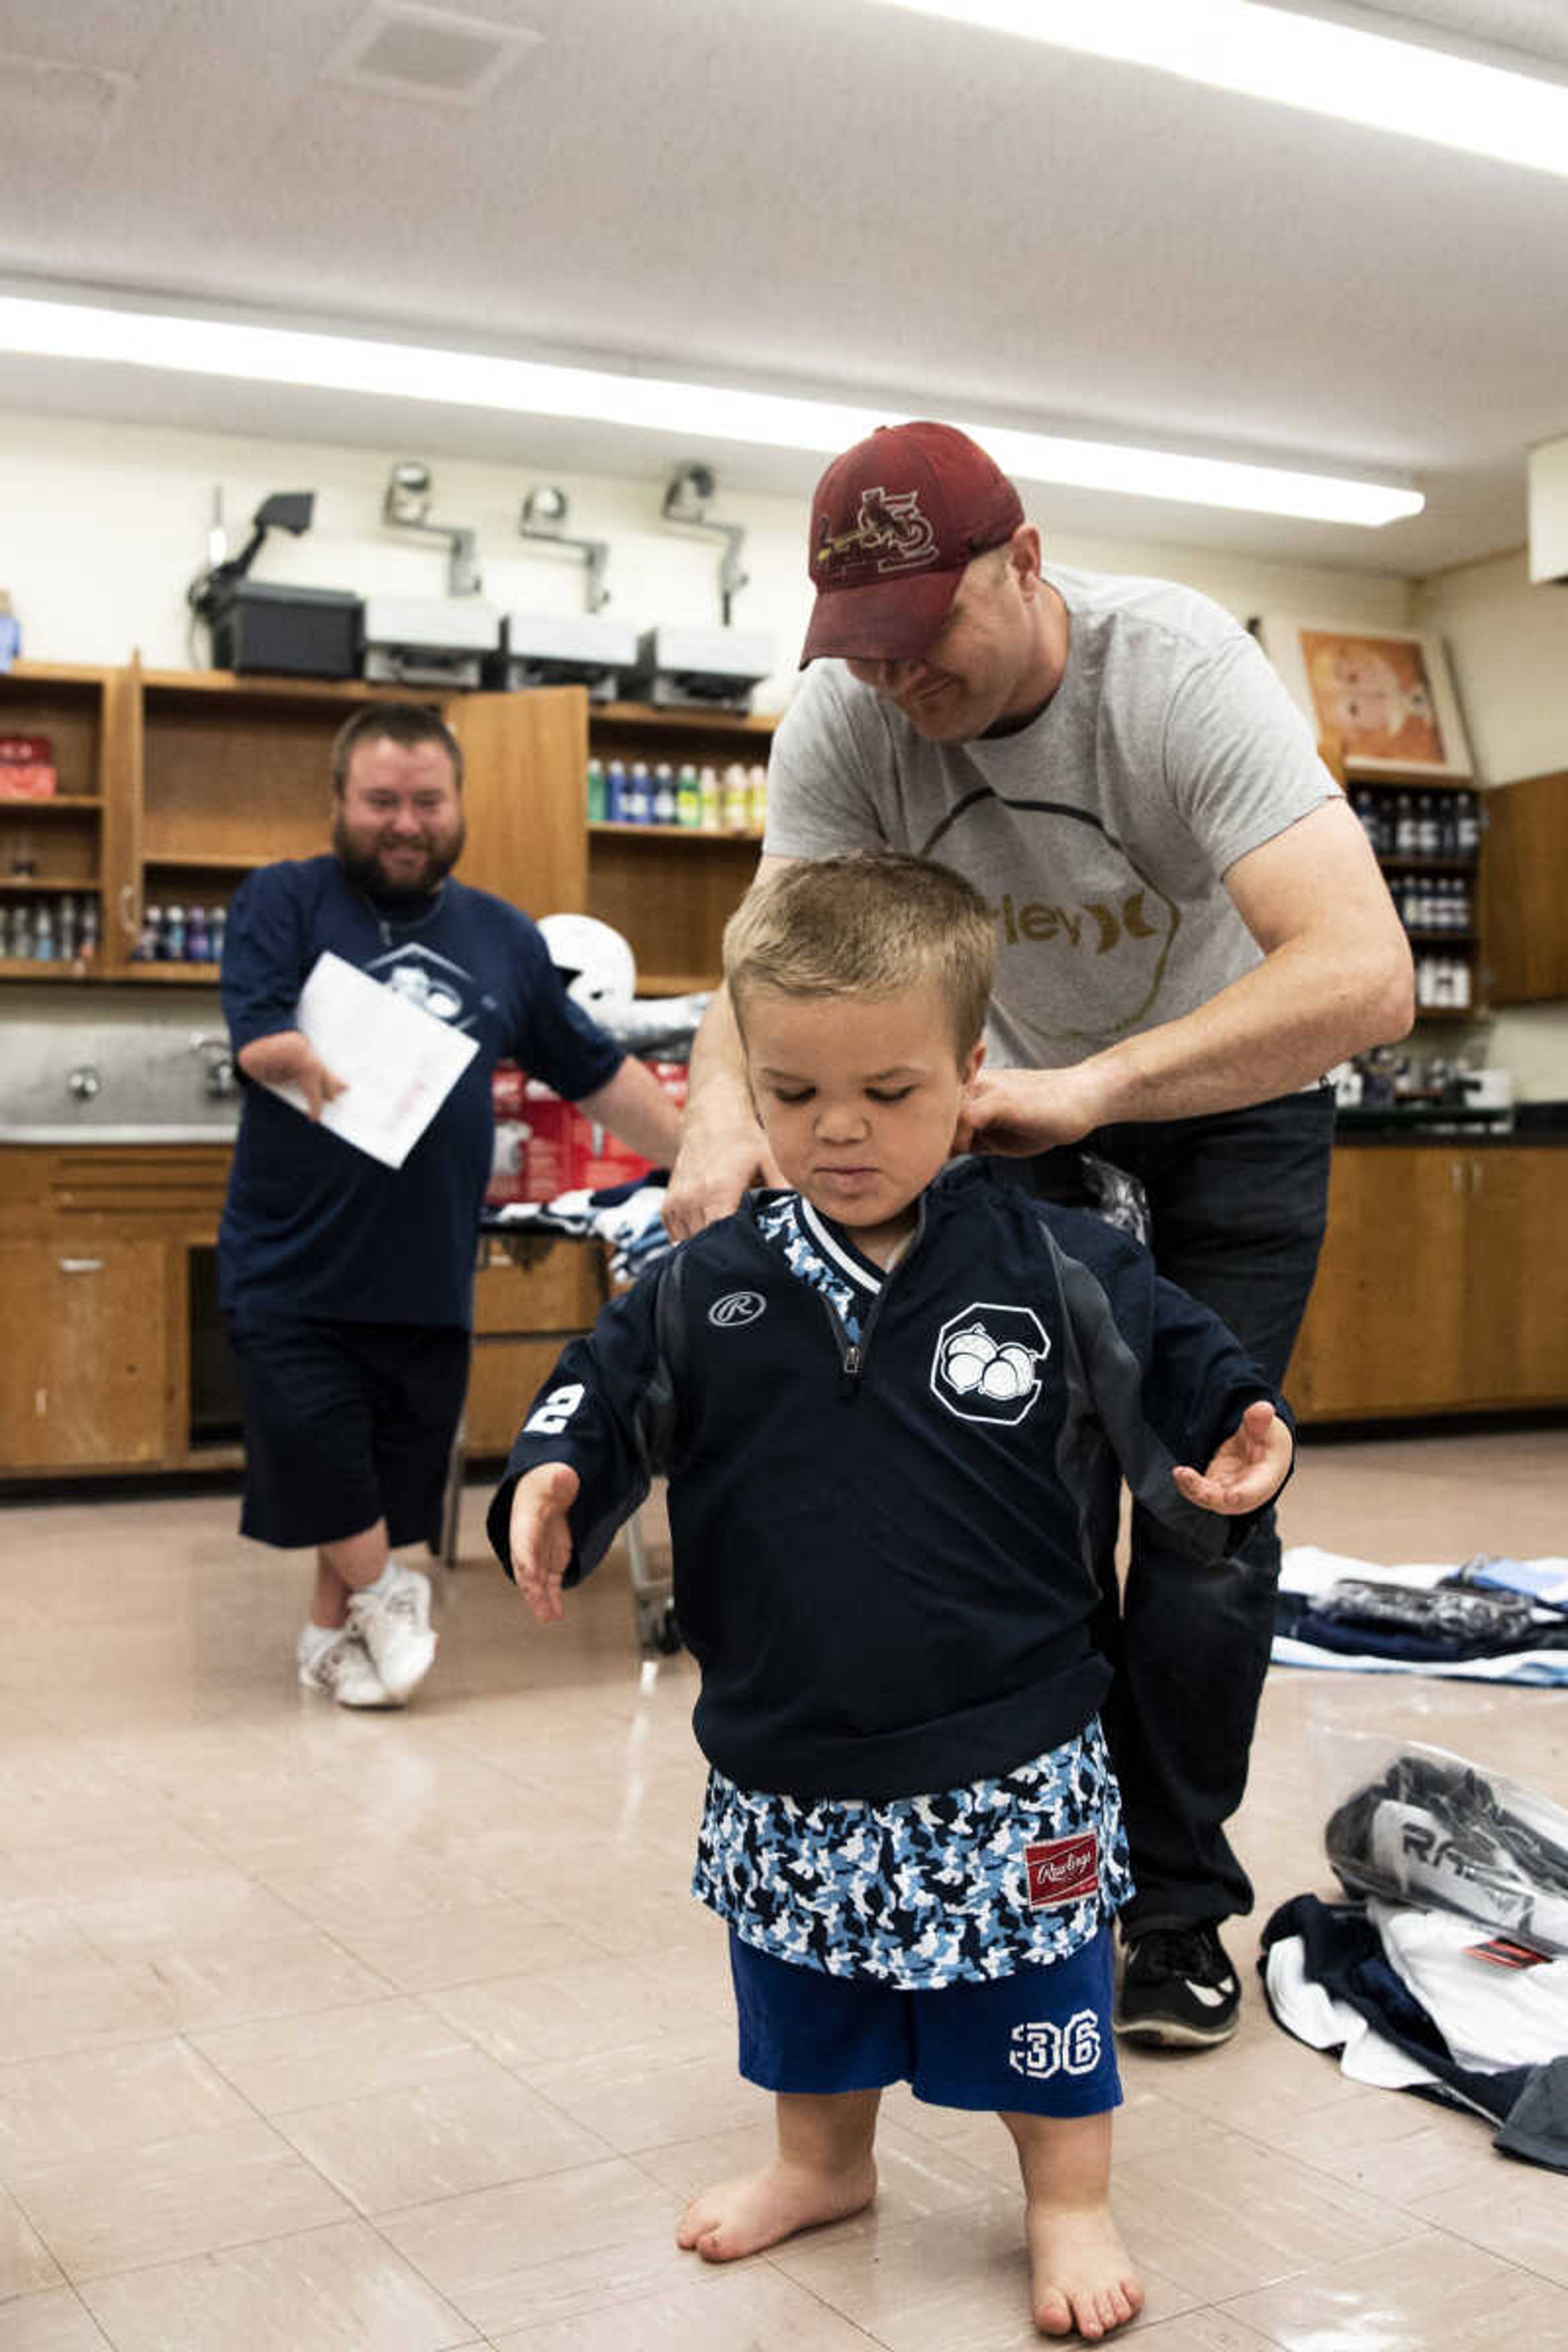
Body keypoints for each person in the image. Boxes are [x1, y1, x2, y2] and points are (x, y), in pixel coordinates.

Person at [665, 420, 1414, 2048]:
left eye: (924, 633)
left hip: (1228, 1094)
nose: (896, 682)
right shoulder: (849, 721)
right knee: (1021, 1486)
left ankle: (1178, 1902)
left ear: (1025, 561)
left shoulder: (1176, 672)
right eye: (860, 648)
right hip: (1008, 1109)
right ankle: (1040, 1863)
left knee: (1204, 1504)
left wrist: (1103, 1090)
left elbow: (1364, 974)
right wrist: (724, 1112)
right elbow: (765, 959)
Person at [492, 853, 1295, 2341]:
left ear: (973, 1071)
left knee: (1037, 1986)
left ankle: (1067, 2201)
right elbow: (600, 1400)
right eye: (792, 1095)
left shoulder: (1060, 1265)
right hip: (789, 1733)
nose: (839, 1130)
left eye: (889, 1091)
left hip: (1017, 1734)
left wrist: (1243, 1415)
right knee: (803, 1974)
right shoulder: (704, 1282)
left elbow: (1185, 1353)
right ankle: (822, 2165)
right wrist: (553, 1479)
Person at [218, 702, 682, 1711]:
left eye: (426, 801)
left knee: (386, 1469)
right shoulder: (282, 902)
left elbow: (596, 1074)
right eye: (381, 800)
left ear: (456, 804)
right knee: (319, 1451)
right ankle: (390, 1589)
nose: (405, 821)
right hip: (290, 1264)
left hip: (428, 1270)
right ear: (341, 802)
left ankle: (326, 1640)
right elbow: (254, 1035)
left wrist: (703, 1160)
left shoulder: (502, 939)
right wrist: (288, 1056)